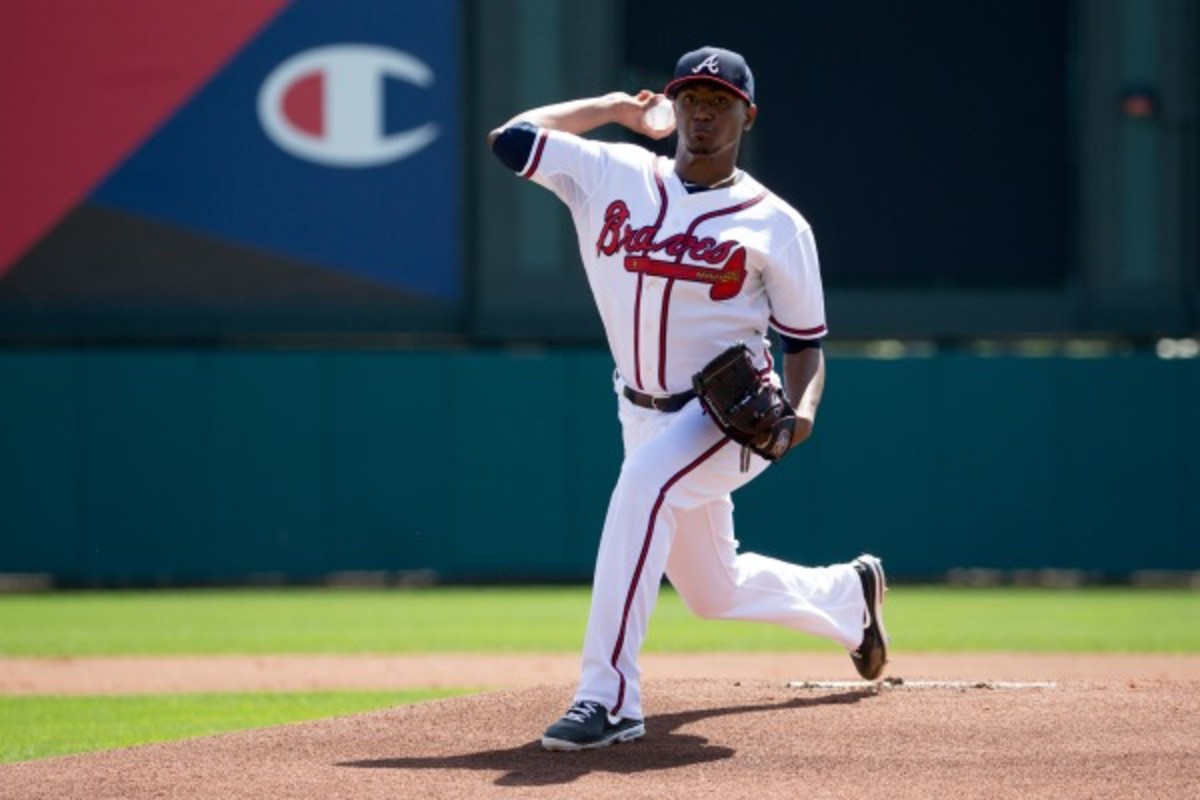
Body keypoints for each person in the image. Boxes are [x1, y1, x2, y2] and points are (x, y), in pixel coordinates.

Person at [486, 46, 888, 752]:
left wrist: (802, 413)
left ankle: (608, 697)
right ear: (673, 106)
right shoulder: (612, 172)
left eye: (719, 101)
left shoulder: (777, 224)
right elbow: (510, 138)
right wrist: (615, 108)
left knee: (643, 485)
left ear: (747, 116)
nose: (703, 112)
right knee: (712, 591)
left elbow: (805, 347)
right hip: (637, 408)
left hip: (726, 415)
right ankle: (848, 599)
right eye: (691, 98)